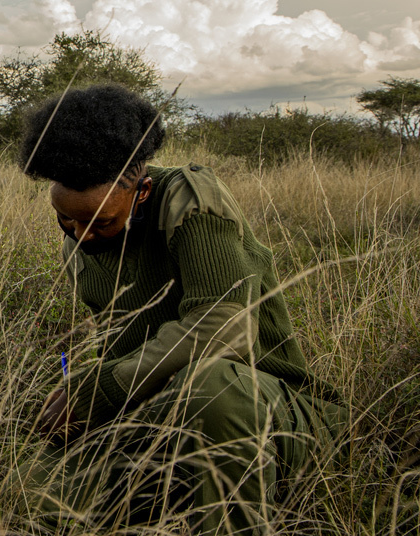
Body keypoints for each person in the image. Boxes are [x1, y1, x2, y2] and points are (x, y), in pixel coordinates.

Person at [17, 84, 345, 534]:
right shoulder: (80, 244)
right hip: (165, 413)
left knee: (208, 385)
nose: (81, 234)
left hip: (270, 413)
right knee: (32, 477)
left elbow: (225, 329)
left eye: (101, 221)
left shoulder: (190, 198)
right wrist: (81, 397)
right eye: (65, 219)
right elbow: (124, 347)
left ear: (143, 190)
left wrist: (104, 386)